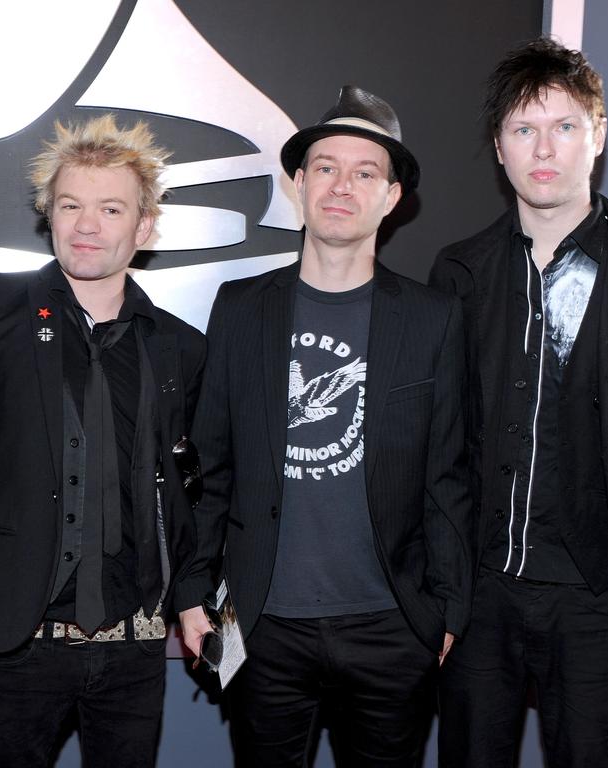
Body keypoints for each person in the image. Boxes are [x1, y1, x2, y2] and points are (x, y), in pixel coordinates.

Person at [176, 85, 473, 767]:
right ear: (297, 184)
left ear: (392, 197)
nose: (343, 185)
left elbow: (449, 473)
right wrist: (192, 592)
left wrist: (448, 609)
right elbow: (209, 467)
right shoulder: (241, 308)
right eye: (326, 167)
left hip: (392, 628)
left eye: (365, 172)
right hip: (260, 626)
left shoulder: (434, 318)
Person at [431, 37, 608, 768]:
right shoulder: (459, 274)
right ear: (499, 147)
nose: (545, 148)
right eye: (523, 128)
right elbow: (442, 440)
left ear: (597, 137)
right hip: (478, 600)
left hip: (599, 602)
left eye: (565, 126)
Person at [0, 114, 206, 767]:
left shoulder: (177, 349)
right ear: (48, 215)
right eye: (70, 205)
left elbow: (196, 493)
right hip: (15, 645)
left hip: (136, 649)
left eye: (111, 208)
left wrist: (194, 599)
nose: (86, 224)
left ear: (144, 228)